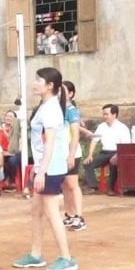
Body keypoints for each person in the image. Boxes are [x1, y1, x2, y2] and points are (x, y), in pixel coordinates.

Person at [12, 68, 77, 270]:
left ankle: (66, 257)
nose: (34, 83)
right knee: (36, 210)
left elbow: (50, 143)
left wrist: (41, 171)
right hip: (45, 166)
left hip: (51, 167)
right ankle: (36, 254)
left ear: (50, 86)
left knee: (51, 212)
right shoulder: (45, 106)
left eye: (39, 80)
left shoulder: (51, 109)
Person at [60, 81, 86, 232]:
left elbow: (75, 135)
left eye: (63, 91)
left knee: (72, 184)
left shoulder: (71, 110)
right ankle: (69, 214)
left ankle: (79, 216)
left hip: (71, 152)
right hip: (60, 153)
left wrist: (71, 154)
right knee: (64, 185)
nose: (59, 94)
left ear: (70, 94)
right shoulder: (58, 110)